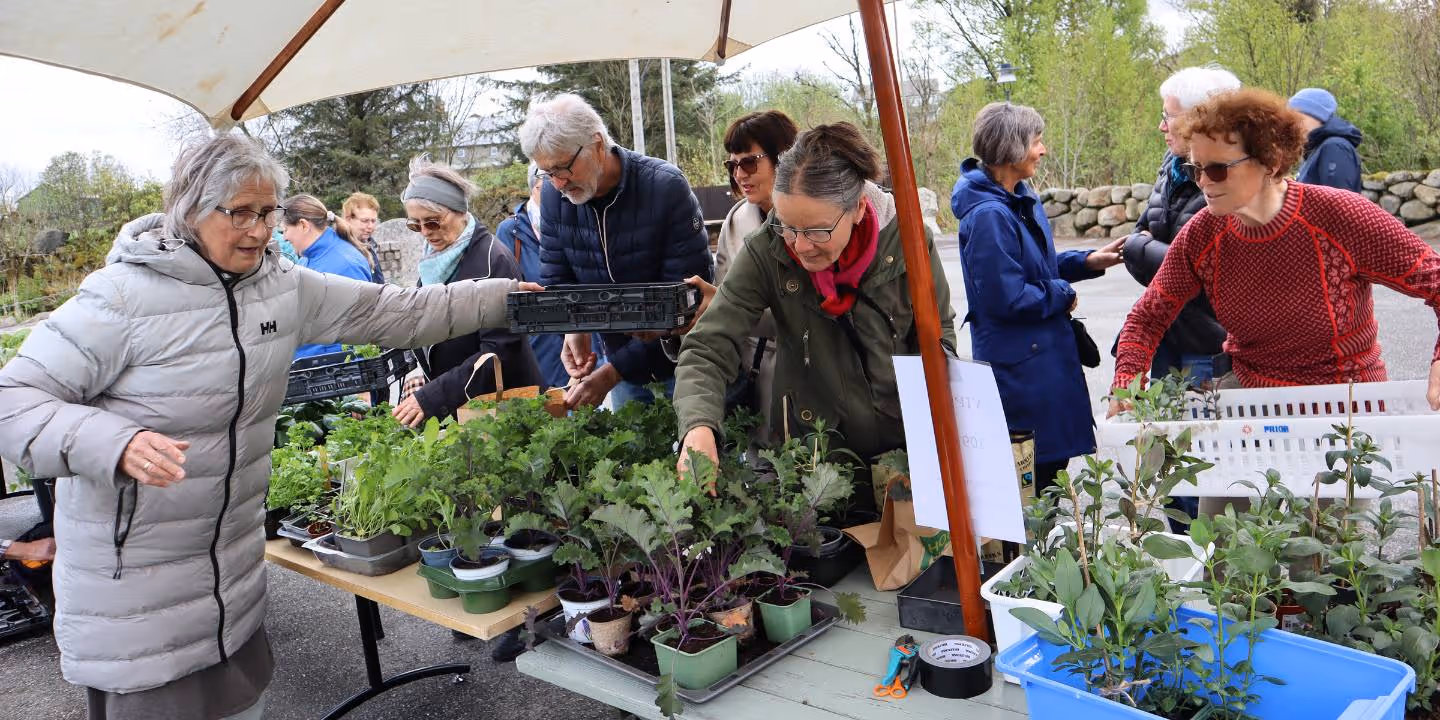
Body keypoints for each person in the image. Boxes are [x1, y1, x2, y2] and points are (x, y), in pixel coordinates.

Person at [0, 134, 532, 720]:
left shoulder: (280, 285)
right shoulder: (121, 297)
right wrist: (114, 442)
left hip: (231, 579)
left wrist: (505, 296)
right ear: (191, 208)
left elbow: (395, 311)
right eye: (240, 214)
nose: (258, 230)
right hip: (135, 590)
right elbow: (13, 400)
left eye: (268, 212)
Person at [1110, 87, 1440, 413]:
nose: (1203, 182)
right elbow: (1146, 318)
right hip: (1250, 404)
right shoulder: (1202, 234)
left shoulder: (1341, 217)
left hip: (1346, 407)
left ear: (1271, 161)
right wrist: (1127, 383)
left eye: (1217, 169)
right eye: (1193, 169)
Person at [675, 122, 956, 478]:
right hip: (811, 461)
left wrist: (940, 421)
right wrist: (699, 425)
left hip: (904, 457)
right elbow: (708, 347)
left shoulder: (908, 241)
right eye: (788, 226)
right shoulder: (766, 249)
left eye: (817, 230)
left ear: (857, 209)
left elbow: (938, 335)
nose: (800, 246)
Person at [951, 102, 1124, 492]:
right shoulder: (989, 215)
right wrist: (1062, 293)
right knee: (1035, 488)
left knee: (1048, 478)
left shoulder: (1018, 198)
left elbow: (1034, 268)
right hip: (1024, 374)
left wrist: (1088, 261)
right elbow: (1007, 297)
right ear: (1012, 147)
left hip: (1040, 366)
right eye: (1037, 141)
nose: (1043, 150)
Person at [519, 93, 714, 410]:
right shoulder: (557, 200)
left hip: (686, 362)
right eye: (546, 173)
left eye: (563, 168)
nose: (557, 183)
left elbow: (685, 303)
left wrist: (613, 372)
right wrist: (574, 329)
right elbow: (558, 280)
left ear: (597, 145)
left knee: (695, 454)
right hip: (623, 372)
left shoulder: (665, 187)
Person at [390, 157, 543, 429]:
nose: (425, 233)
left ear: (459, 211)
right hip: (463, 409)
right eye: (416, 225)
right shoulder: (434, 263)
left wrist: (432, 396)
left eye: (433, 222)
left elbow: (499, 352)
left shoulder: (494, 261)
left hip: (501, 409)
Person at [1122, 66, 1240, 385]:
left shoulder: (1227, 180)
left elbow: (1203, 270)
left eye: (1168, 115)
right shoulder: (1171, 166)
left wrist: (1138, 247)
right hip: (1169, 335)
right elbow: (1146, 235)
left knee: (1207, 432)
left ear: (1196, 119)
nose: (1161, 126)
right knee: (1168, 433)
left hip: (1209, 345)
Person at [712, 110, 799, 441]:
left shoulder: (816, 218)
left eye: (749, 163)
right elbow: (720, 305)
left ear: (784, 158)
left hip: (810, 381)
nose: (739, 174)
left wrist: (724, 306)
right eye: (731, 166)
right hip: (753, 383)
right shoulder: (734, 221)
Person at [495, 163, 568, 390]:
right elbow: (505, 288)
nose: (548, 194)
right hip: (538, 341)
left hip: (575, 333)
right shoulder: (510, 231)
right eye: (541, 187)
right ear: (531, 188)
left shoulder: (572, 220)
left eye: (554, 188)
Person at [283, 194, 376, 359]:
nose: (284, 237)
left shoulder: (346, 264)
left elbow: (358, 332)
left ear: (304, 225)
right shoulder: (305, 260)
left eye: (286, 230)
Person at [1288, 88, 1363, 192]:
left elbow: (1339, 204)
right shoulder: (1316, 149)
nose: (1293, 124)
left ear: (1318, 115)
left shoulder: (1335, 148)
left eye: (1298, 117)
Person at [342, 191, 387, 284]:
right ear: (348, 219)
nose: (370, 226)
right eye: (365, 221)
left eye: (373, 221)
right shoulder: (341, 249)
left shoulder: (369, 244)